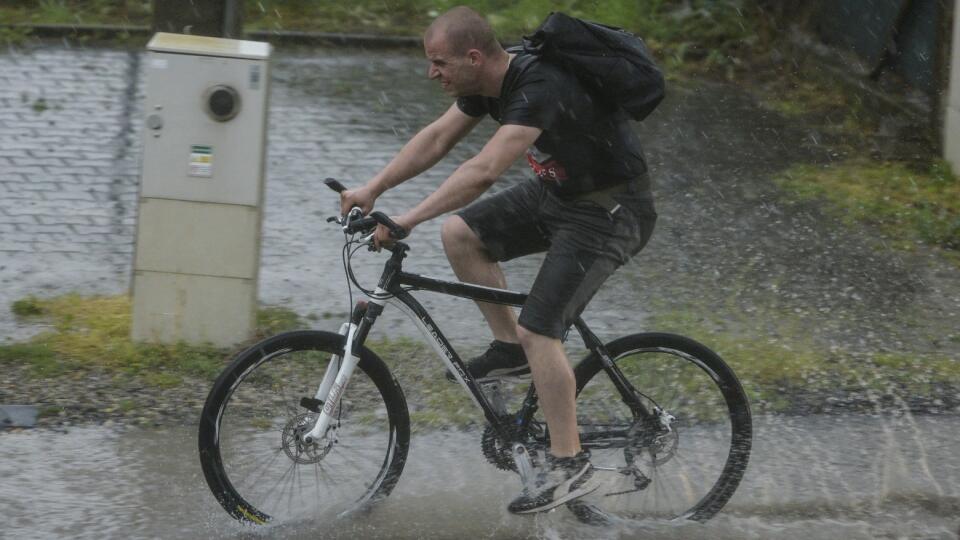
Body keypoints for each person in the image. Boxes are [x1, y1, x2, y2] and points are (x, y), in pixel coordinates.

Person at [340, 6, 657, 514]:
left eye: (439, 63)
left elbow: (485, 169)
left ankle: (568, 462)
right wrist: (373, 187)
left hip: (610, 210)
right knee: (462, 234)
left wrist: (407, 218)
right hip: (561, 195)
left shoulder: (539, 85)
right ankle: (510, 352)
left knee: (542, 331)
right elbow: (438, 138)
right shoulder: (486, 84)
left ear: (472, 57)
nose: (431, 73)